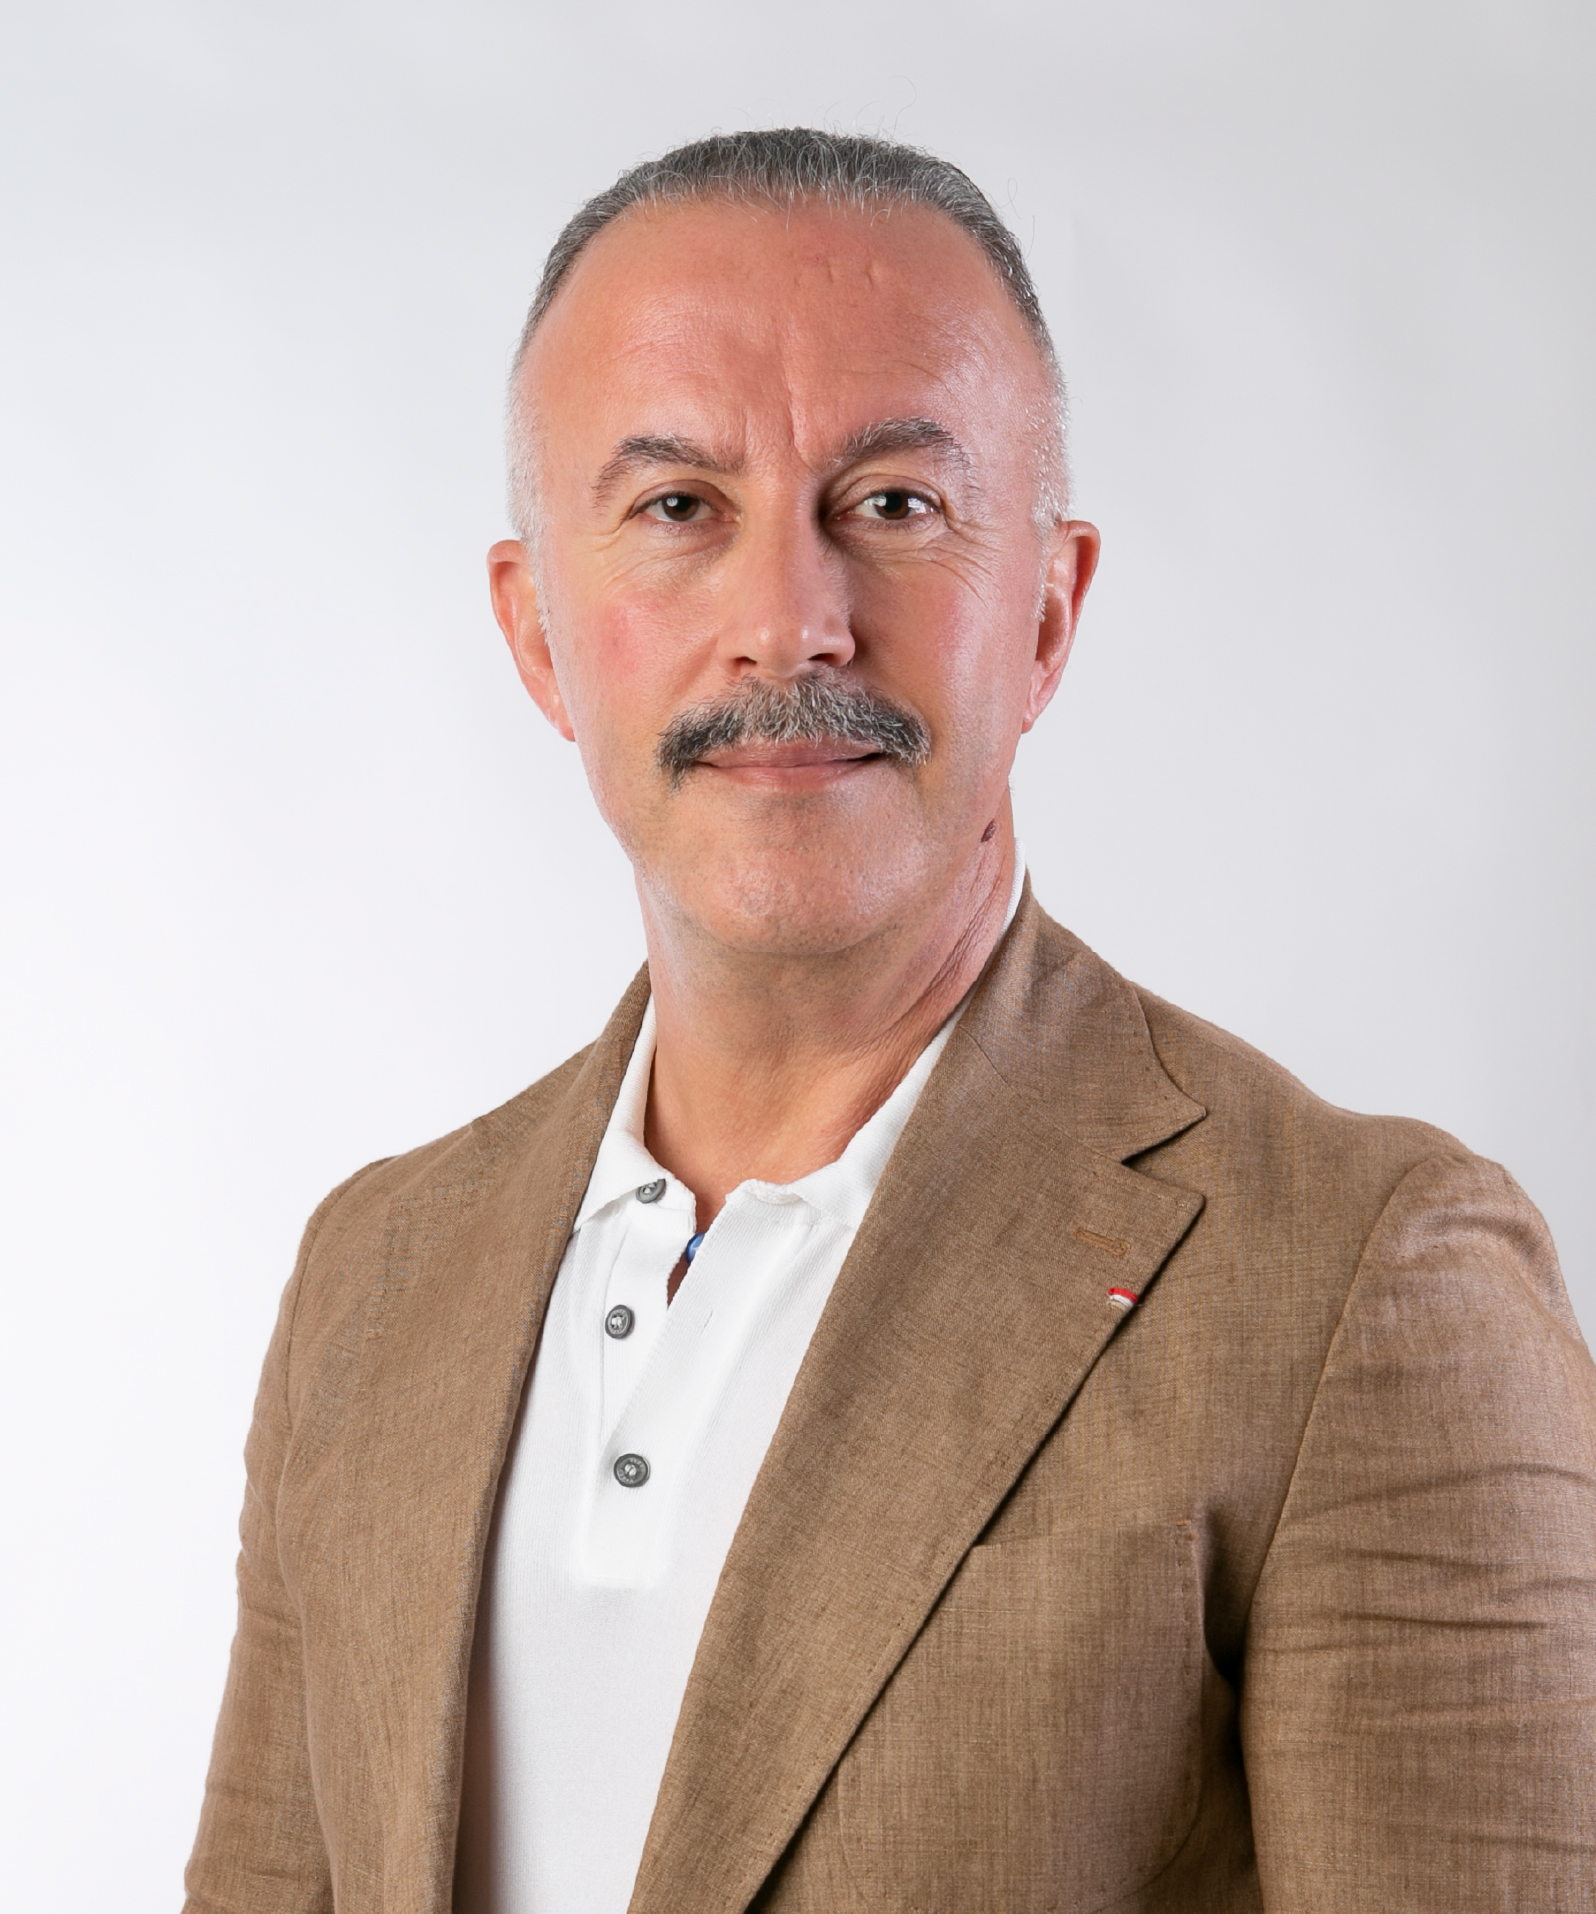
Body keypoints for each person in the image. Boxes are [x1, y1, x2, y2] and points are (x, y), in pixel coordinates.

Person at [183, 130, 1596, 1914]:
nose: (792, 622)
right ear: (538, 635)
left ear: (1049, 612)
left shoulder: (1365, 1282)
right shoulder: (372, 1277)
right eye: (679, 507)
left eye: (896, 504)